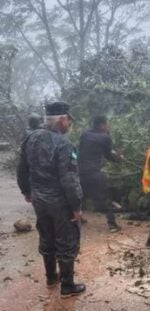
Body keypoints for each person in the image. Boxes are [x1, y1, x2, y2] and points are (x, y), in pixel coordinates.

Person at [16, 101, 86, 298]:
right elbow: (69, 178)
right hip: (60, 201)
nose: (70, 125)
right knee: (67, 239)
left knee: (46, 235)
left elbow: (22, 168)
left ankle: (51, 277)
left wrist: (26, 191)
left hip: (39, 197)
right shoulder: (64, 144)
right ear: (62, 120)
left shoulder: (30, 137)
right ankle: (68, 286)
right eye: (68, 121)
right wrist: (76, 206)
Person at [78, 114, 123, 233]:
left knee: (78, 196)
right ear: (102, 124)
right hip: (93, 172)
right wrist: (118, 158)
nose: (108, 126)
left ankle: (78, 218)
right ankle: (112, 225)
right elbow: (108, 155)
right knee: (105, 198)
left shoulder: (85, 134)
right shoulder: (105, 137)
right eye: (107, 123)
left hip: (79, 171)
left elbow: (83, 149)